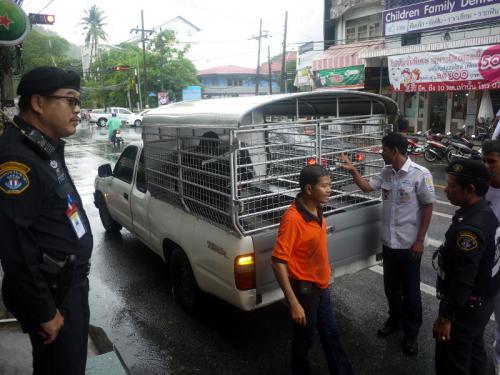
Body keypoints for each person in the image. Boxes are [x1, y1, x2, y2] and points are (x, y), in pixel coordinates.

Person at [0, 66, 93, 374]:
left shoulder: (42, 148)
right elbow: (14, 244)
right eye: (70, 100)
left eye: (78, 101)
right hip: (53, 295)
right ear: (38, 104)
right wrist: (44, 311)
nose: (77, 110)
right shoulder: (18, 160)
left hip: (66, 286)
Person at [338, 132, 435, 356]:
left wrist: (420, 240)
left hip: (410, 245)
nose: (381, 152)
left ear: (394, 150)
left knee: (411, 292)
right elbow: (367, 188)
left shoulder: (420, 174)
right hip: (390, 243)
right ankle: (396, 320)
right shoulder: (386, 172)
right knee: (391, 287)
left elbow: (429, 206)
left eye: (383, 149)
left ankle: (412, 333)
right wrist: (353, 170)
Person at [272, 164, 353, 375]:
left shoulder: (317, 207)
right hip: (304, 292)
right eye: (325, 186)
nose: (330, 190)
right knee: (304, 341)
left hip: (321, 285)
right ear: (309, 189)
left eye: (330, 185)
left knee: (331, 334)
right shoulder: (292, 220)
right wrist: (293, 303)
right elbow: (278, 262)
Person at [433, 158, 498, 375]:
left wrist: (446, 318)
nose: (446, 190)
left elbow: (463, 279)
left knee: (452, 361)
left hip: (466, 307)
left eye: (451, 186)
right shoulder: (486, 213)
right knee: (474, 352)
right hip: (482, 302)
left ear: (470, 189)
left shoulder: (469, 230)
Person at [481, 140, 500, 374]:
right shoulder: (480, 186)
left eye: (492, 161)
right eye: (484, 160)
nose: (487, 166)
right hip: (482, 266)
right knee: (475, 320)